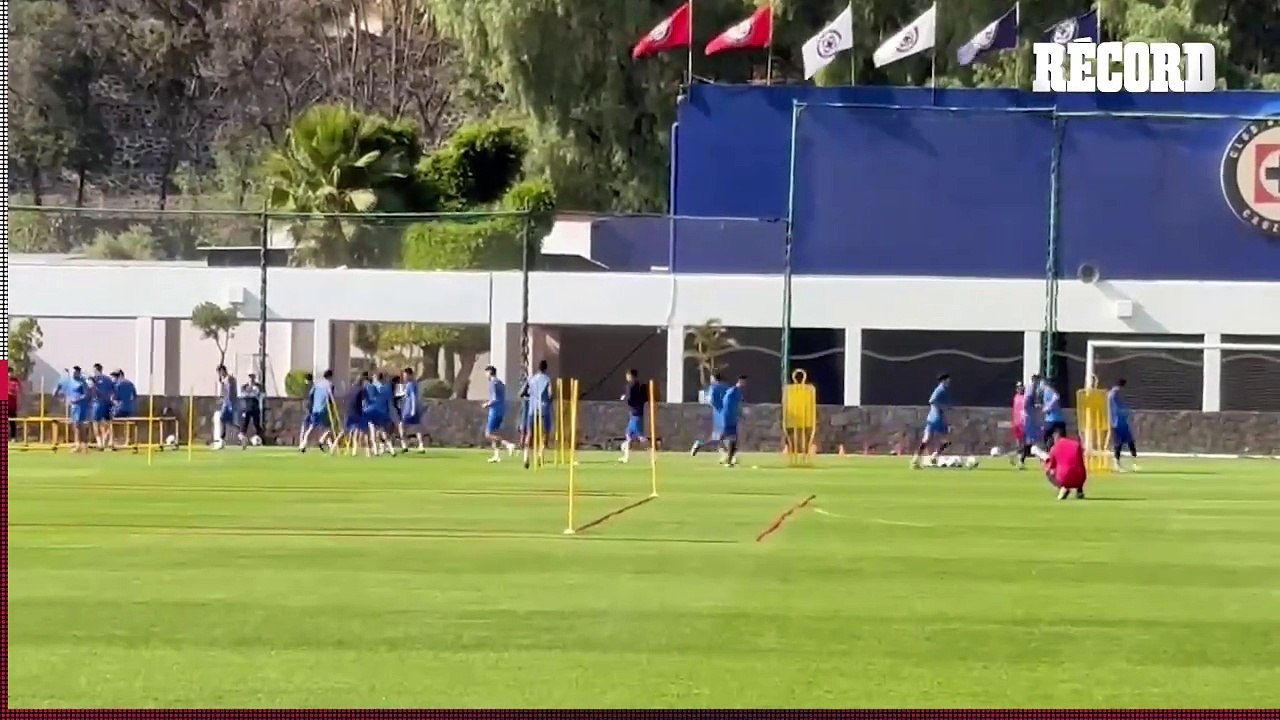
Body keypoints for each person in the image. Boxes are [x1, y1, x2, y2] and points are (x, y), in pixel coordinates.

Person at [911, 374, 952, 468]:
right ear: (943, 380)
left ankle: (917, 458)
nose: (949, 382)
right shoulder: (940, 389)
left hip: (932, 418)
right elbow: (932, 401)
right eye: (947, 380)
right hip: (938, 419)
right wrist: (942, 408)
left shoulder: (943, 390)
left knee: (927, 439)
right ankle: (934, 456)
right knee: (945, 440)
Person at [520, 360, 554, 470]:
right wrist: (548, 400)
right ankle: (540, 454)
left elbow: (521, 393)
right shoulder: (547, 379)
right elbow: (550, 394)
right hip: (543, 409)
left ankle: (526, 457)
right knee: (545, 432)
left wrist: (530, 396)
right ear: (546, 368)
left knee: (530, 433)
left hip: (532, 409)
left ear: (537, 368)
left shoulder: (531, 379)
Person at [691, 372, 728, 462]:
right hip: (726, 413)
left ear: (713, 378)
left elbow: (710, 399)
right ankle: (726, 455)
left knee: (720, 436)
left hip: (719, 413)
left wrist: (713, 404)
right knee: (721, 436)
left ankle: (725, 455)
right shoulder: (726, 387)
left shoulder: (713, 387)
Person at [482, 366, 516, 463]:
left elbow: (495, 399)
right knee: (494, 433)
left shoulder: (493, 383)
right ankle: (496, 455)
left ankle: (508, 444)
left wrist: (487, 404)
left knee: (488, 434)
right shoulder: (500, 383)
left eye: (486, 373)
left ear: (489, 372)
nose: (485, 375)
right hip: (501, 410)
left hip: (495, 411)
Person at [1044, 426, 1087, 500]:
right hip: (1080, 478)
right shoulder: (1076, 444)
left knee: (1048, 472)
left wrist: (1045, 462)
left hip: (1065, 479)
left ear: (1056, 435)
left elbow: (1051, 466)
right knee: (1078, 466)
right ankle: (1079, 491)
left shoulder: (1054, 448)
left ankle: (1063, 488)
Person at [299, 370, 335, 453]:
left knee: (312, 427)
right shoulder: (330, 385)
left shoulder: (317, 385)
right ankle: (322, 441)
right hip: (324, 409)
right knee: (327, 428)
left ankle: (303, 444)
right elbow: (330, 397)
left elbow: (311, 394)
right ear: (330, 376)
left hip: (315, 409)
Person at [1108, 378, 1139, 472]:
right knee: (1119, 444)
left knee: (1130, 442)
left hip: (1122, 422)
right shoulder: (1114, 394)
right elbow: (1115, 409)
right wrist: (1125, 412)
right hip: (1117, 423)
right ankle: (1117, 464)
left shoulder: (1115, 394)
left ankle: (1134, 463)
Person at [619, 369, 649, 464]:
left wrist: (624, 398)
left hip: (635, 414)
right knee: (628, 434)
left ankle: (652, 452)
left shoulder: (630, 386)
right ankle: (626, 457)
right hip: (638, 412)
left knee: (640, 437)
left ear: (630, 376)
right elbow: (645, 398)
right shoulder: (642, 386)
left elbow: (629, 399)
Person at [365, 371, 396, 456]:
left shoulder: (370, 387)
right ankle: (391, 449)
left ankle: (375, 451)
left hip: (371, 411)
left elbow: (367, 400)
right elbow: (389, 401)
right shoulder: (386, 388)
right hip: (382, 412)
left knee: (372, 431)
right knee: (382, 431)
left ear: (375, 378)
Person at [719, 375, 747, 467]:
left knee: (728, 438)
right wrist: (741, 415)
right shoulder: (735, 392)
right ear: (740, 381)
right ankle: (728, 460)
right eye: (744, 382)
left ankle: (728, 458)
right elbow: (736, 406)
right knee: (731, 439)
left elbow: (731, 404)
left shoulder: (732, 391)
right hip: (729, 419)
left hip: (729, 418)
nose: (745, 384)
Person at [397, 368, 426, 454]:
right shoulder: (414, 384)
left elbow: (413, 397)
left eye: (405, 375)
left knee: (401, 426)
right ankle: (421, 446)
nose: (404, 377)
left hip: (408, 409)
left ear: (410, 375)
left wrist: (412, 409)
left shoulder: (410, 384)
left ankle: (404, 445)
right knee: (417, 428)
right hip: (413, 408)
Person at [342, 372, 371, 457]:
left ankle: (353, 451)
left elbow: (345, 399)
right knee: (364, 432)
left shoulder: (350, 388)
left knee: (346, 431)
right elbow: (366, 400)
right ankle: (367, 452)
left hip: (349, 412)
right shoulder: (362, 389)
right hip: (358, 413)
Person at [90, 363, 117, 450]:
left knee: (95, 423)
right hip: (107, 403)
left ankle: (99, 442)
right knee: (108, 423)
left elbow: (91, 389)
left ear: (96, 370)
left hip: (97, 403)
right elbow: (113, 391)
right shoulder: (108, 379)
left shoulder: (94, 379)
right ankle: (108, 440)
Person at [65, 366, 91, 452]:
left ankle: (84, 444)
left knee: (80, 425)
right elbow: (69, 393)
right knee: (75, 425)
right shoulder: (70, 382)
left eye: (76, 372)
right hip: (73, 406)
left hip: (80, 406)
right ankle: (77, 444)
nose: (74, 373)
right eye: (73, 372)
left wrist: (78, 399)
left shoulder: (82, 382)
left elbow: (86, 394)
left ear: (79, 373)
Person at [238, 372, 265, 448]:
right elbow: (243, 394)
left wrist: (253, 393)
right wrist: (251, 393)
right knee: (244, 424)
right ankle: (243, 439)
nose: (251, 379)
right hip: (247, 408)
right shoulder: (244, 386)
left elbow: (262, 395)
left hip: (255, 407)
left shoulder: (258, 386)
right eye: (250, 377)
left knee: (257, 424)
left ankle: (259, 439)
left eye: (252, 377)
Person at [214, 365, 237, 449]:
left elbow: (230, 392)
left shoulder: (229, 379)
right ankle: (223, 439)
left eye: (220, 372)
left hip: (229, 404)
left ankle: (223, 439)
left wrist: (230, 404)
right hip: (227, 403)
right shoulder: (226, 379)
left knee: (225, 420)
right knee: (225, 420)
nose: (219, 374)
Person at [1041, 376, 1067, 448]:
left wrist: (1048, 407)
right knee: (1050, 440)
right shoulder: (1046, 392)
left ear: (1044, 383)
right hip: (1051, 420)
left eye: (1041, 383)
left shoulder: (1048, 390)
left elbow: (1056, 397)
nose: (1040, 385)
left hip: (1055, 420)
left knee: (1056, 441)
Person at [1008, 381, 1025, 465]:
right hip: (1017, 422)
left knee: (1023, 443)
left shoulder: (1025, 397)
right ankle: (1018, 458)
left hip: (1023, 422)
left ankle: (1018, 458)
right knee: (1019, 442)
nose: (1020, 388)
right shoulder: (1016, 397)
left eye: (1021, 387)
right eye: (1018, 387)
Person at [8, 369, 22, 442]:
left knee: (12, 421)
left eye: (11, 373)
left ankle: (13, 437)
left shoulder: (15, 381)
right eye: (8, 373)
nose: (10, 374)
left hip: (12, 404)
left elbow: (19, 391)